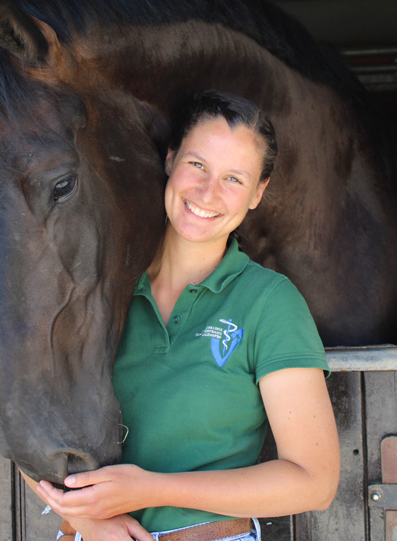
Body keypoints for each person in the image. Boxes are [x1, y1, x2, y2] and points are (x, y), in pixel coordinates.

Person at [25, 90, 340, 541]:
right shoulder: (91, 283)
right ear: (170, 160)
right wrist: (93, 523)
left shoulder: (269, 302)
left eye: (234, 178)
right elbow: (26, 428)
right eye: (197, 165)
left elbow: (314, 482)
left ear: (258, 193)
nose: (208, 193)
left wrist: (150, 490)